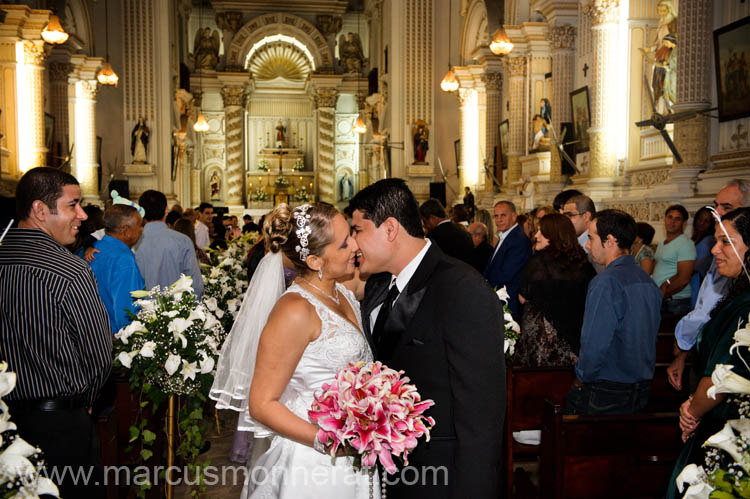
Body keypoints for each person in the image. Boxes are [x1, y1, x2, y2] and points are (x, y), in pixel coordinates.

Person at [350, 179, 505, 499]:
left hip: (442, 474)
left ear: (389, 228)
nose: (353, 243)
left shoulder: (461, 288)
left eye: (358, 230)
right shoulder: (383, 284)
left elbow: (481, 417)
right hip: (399, 470)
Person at [210, 203, 376, 497]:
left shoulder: (342, 292)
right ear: (315, 261)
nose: (355, 245)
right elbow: (261, 403)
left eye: (351, 234)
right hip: (313, 464)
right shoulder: (294, 310)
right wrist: (328, 439)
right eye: (343, 243)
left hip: (354, 452)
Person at [0, 167, 112, 498]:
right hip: (62, 425)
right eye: (72, 205)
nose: (81, 215)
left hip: (6, 425)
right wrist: (84, 402)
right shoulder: (71, 270)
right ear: (39, 210)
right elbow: (98, 355)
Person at [666, 207, 750, 499]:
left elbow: (723, 374)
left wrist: (691, 410)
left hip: (727, 428)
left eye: (726, 241)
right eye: (716, 240)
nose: (715, 249)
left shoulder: (745, 306)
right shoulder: (738, 295)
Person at [566, 209, 662, 415]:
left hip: (608, 388)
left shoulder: (606, 282)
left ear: (609, 241)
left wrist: (580, 378)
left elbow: (594, 343)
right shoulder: (647, 280)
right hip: (642, 386)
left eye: (591, 238)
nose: (588, 244)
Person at [667, 179, 750, 390]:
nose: (717, 213)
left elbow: (710, 310)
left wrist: (683, 340)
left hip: (723, 365)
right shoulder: (722, 248)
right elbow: (705, 303)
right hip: (707, 351)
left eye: (727, 207)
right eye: (717, 205)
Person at [515, 214, 596, 367]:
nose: (536, 236)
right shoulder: (584, 263)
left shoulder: (538, 263)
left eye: (542, 232)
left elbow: (522, 298)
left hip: (543, 344)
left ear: (554, 234)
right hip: (575, 344)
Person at [135, 190, 204, 297]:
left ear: (140, 213)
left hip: (142, 311)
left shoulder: (132, 242)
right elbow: (196, 285)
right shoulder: (183, 241)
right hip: (177, 310)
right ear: (166, 211)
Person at [88, 205, 145, 334]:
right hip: (114, 338)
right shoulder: (123, 259)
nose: (141, 230)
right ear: (125, 230)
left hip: (93, 333)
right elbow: (126, 312)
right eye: (139, 226)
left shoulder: (93, 249)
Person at [484, 200, 532, 319]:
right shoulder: (506, 235)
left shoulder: (519, 240)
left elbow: (505, 274)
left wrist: (483, 286)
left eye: (503, 215)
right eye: (496, 216)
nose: (499, 220)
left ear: (514, 216)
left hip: (509, 303)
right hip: (498, 299)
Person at [652, 205, 696, 316]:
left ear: (684, 223)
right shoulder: (662, 242)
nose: (672, 222)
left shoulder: (685, 244)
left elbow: (684, 278)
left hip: (676, 300)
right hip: (663, 299)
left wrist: (665, 293)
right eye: (669, 217)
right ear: (665, 219)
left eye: (677, 219)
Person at [419, 198, 474, 265]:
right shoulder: (465, 232)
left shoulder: (434, 237)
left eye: (425, 221)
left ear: (433, 218)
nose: (425, 225)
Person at [562, 194, 605, 273]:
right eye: (564, 217)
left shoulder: (599, 242)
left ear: (586, 216)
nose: (565, 221)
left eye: (570, 215)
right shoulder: (567, 241)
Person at [690, 206, 716, 308]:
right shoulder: (695, 238)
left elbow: (698, 267)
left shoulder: (708, 241)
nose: (701, 223)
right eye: (700, 219)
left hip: (699, 284)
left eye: (706, 221)